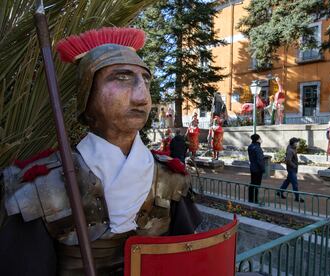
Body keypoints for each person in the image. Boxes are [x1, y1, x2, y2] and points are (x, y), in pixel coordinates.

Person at [0, 27, 201, 275]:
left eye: (145, 80)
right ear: (88, 94)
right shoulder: (39, 186)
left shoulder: (171, 178)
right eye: (122, 77)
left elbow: (188, 259)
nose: (142, 97)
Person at [277, 137, 304, 202]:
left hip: (292, 169)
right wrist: (294, 165)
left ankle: (280, 192)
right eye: (297, 143)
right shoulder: (290, 150)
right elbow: (288, 160)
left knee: (287, 181)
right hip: (292, 169)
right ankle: (297, 197)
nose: (298, 144)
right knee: (295, 184)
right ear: (294, 143)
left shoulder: (292, 148)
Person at [248, 134, 265, 203]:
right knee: (256, 185)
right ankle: (254, 200)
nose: (261, 139)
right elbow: (260, 160)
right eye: (260, 138)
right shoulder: (257, 147)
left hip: (252, 167)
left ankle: (251, 199)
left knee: (252, 183)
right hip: (258, 169)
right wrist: (263, 169)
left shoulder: (250, 146)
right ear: (258, 139)